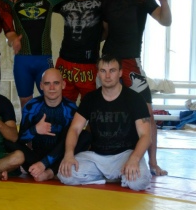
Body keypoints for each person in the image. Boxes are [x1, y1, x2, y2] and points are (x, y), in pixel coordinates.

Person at [54, 0, 162, 103]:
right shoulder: (63, 3)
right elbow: (42, 0)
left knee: (92, 107)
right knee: (63, 106)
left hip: (90, 64)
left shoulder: (102, 1)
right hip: (65, 62)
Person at [101, 0, 171, 176]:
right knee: (101, 110)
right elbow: (104, 33)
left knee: (148, 113)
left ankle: (153, 162)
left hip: (131, 63)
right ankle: (103, 156)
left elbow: (165, 21)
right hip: (108, 62)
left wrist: (164, 1)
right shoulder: (106, 1)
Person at [58, 55, 153, 191]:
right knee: (65, 175)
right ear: (98, 73)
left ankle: (117, 175)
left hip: (125, 155)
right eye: (103, 71)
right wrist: (68, 155)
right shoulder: (90, 99)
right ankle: (110, 177)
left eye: (112, 71)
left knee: (138, 182)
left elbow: (146, 136)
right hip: (96, 157)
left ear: (120, 72)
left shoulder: (135, 99)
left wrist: (134, 159)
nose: (107, 76)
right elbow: (75, 129)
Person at [15, 68, 88, 182]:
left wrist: (44, 163)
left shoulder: (72, 109)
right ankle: (46, 170)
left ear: (63, 85)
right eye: (47, 83)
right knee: (9, 140)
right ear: (41, 86)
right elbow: (20, 140)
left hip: (60, 159)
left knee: (85, 136)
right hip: (35, 159)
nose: (52, 88)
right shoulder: (31, 106)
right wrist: (35, 129)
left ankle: (50, 172)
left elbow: (71, 140)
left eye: (56, 83)